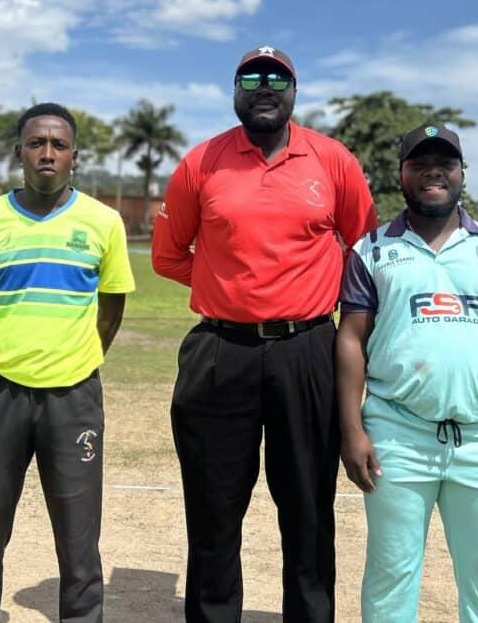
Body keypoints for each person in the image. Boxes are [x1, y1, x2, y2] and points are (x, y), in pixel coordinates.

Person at [152, 46, 378, 623]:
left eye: (277, 79)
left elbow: (366, 253)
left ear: (294, 93)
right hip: (219, 350)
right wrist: (230, 286)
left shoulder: (331, 159)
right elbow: (168, 255)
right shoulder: (202, 162)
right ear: (235, 92)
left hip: (308, 350)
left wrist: (301, 289)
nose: (264, 87)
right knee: (213, 509)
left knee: (308, 507)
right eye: (250, 78)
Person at [336, 124, 478, 623]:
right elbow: (350, 340)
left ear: (462, 173)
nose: (433, 172)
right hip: (398, 435)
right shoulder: (371, 250)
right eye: (419, 164)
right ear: (401, 174)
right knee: (391, 576)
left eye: (445, 164)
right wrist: (352, 430)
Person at [0, 102, 136, 623]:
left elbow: (112, 306)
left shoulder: (103, 222)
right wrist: (8, 351)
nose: (47, 153)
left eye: (59, 144)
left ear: (75, 156)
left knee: (79, 541)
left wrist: (75, 357)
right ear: (19, 153)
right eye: (36, 143)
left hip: (73, 398)